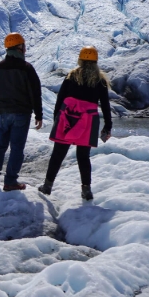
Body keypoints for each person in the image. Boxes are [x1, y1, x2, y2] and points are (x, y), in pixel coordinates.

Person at [38, 46, 112, 200]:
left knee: (58, 153)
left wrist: (57, 118)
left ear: (81, 59)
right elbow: (105, 105)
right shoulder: (100, 81)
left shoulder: (71, 76)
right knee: (83, 156)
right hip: (89, 121)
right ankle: (86, 190)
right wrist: (108, 126)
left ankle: (47, 185)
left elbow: (60, 99)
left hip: (68, 118)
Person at [0, 33, 43, 191]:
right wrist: (39, 115)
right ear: (20, 48)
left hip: (1, 114)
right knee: (16, 148)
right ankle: (10, 181)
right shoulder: (26, 68)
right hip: (20, 113)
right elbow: (35, 93)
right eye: (23, 46)